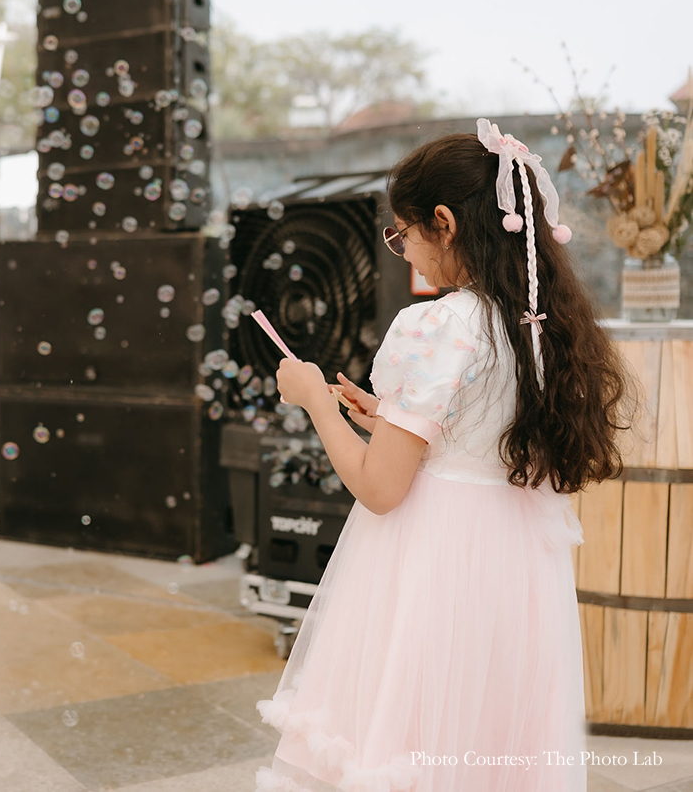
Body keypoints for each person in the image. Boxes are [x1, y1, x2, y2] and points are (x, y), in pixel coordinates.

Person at [260, 120, 634, 792]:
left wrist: (314, 399)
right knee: (484, 736)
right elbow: (477, 429)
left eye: (406, 234)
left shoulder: (435, 322)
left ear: (445, 221)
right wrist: (389, 416)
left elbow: (381, 487)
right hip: (511, 569)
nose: (408, 254)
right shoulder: (538, 327)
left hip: (434, 566)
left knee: (413, 737)